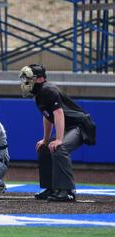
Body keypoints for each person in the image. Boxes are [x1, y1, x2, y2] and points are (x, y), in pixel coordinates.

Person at [19, 64, 96, 202]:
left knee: (60, 148)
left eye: (29, 78)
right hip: (68, 127)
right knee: (44, 147)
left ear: (40, 79)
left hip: (80, 126)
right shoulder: (39, 93)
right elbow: (48, 117)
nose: (25, 81)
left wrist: (59, 139)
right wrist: (45, 139)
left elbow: (58, 114)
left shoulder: (48, 90)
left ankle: (67, 191)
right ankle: (52, 188)